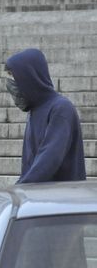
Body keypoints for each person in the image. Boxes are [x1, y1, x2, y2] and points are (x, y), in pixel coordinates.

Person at [5, 48, 85, 183]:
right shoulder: (33, 112)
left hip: (63, 199)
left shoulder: (61, 108)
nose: (11, 83)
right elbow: (30, 167)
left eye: (13, 76)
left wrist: (19, 189)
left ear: (29, 76)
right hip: (39, 198)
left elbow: (49, 160)